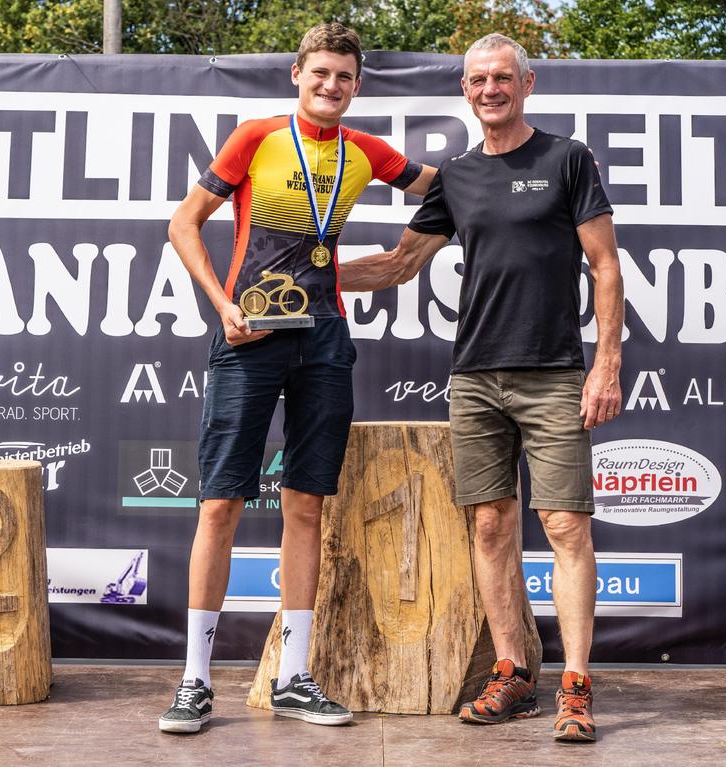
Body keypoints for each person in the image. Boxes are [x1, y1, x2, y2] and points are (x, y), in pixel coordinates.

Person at [339, 33, 623, 743]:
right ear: (464, 91)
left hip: (555, 372)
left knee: (565, 525)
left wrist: (607, 362)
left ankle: (577, 684)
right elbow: (401, 264)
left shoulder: (567, 159)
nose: (489, 89)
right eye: (476, 80)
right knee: (492, 525)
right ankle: (512, 673)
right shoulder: (456, 179)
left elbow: (606, 266)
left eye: (502, 77)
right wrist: (314, 273)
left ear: (528, 82)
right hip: (474, 377)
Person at [159, 22, 435, 734]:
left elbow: (446, 190)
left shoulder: (366, 152)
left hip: (325, 338)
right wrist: (222, 306)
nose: (332, 86)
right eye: (321, 73)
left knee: (307, 506)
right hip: (249, 337)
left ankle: (295, 676)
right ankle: (194, 681)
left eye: (344, 76)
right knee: (220, 504)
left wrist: (412, 252)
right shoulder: (255, 137)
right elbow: (184, 223)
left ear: (357, 85)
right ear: (297, 75)